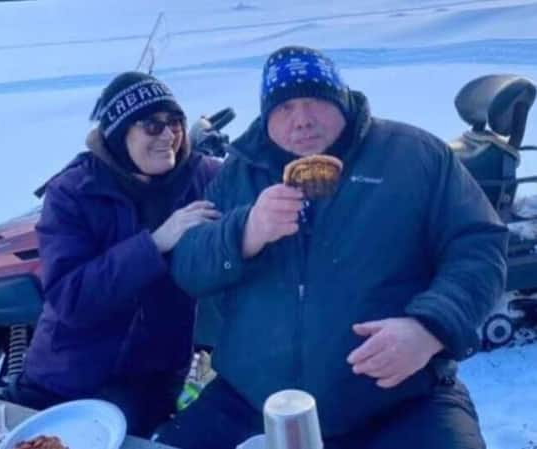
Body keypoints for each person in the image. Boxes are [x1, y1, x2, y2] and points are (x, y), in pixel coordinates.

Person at [155, 46, 508, 449]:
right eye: (285, 108)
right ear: (267, 116)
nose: (301, 120)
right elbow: (189, 266)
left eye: (314, 101)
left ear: (341, 100)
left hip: (401, 401)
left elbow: (479, 245)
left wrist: (430, 328)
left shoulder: (413, 156)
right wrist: (245, 232)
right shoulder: (239, 173)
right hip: (254, 403)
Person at [11, 72, 221, 437]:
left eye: (174, 122)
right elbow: (69, 297)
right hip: (70, 374)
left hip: (152, 380)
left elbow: (258, 179)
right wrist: (153, 244)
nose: (169, 135)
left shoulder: (202, 177)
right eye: (152, 126)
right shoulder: (74, 191)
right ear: (120, 134)